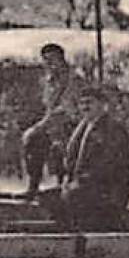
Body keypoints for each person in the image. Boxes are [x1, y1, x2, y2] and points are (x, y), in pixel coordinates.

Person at [40, 82, 129, 230]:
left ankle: (89, 231)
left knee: (72, 196)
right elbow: (72, 162)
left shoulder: (113, 130)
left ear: (102, 104)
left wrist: (79, 183)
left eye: (89, 103)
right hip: (85, 187)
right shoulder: (82, 128)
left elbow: (108, 166)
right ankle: (72, 234)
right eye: (82, 104)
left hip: (108, 190)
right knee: (47, 197)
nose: (85, 107)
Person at [21, 42, 78, 197]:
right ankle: (34, 185)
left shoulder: (72, 80)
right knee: (33, 141)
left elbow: (65, 109)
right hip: (53, 126)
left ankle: (63, 184)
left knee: (57, 142)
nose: (50, 64)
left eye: (53, 59)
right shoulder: (49, 81)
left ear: (62, 59)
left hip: (73, 124)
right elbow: (49, 107)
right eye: (46, 60)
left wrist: (41, 125)